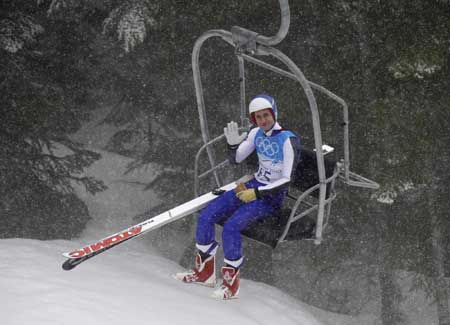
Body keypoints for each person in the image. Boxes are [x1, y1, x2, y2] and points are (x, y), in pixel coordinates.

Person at [176, 94, 301, 299]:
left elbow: (287, 179)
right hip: (252, 184)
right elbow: (236, 160)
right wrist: (232, 145)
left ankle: (230, 285)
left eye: (266, 115)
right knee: (207, 215)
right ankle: (204, 273)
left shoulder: (287, 139)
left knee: (232, 226)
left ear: (274, 113)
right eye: (258, 117)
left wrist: (257, 193)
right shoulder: (256, 134)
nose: (262, 120)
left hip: (271, 196)